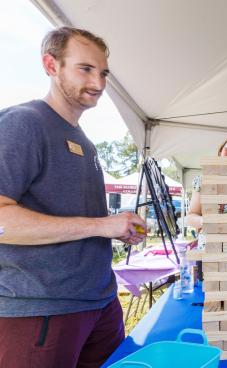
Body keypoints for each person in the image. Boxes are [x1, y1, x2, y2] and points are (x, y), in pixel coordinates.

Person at [0, 27, 147, 367]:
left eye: (104, 72)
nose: (98, 82)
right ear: (51, 65)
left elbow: (80, 221)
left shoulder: (85, 141)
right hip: (40, 308)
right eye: (85, 69)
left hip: (101, 302)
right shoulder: (24, 123)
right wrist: (99, 224)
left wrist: (114, 228)